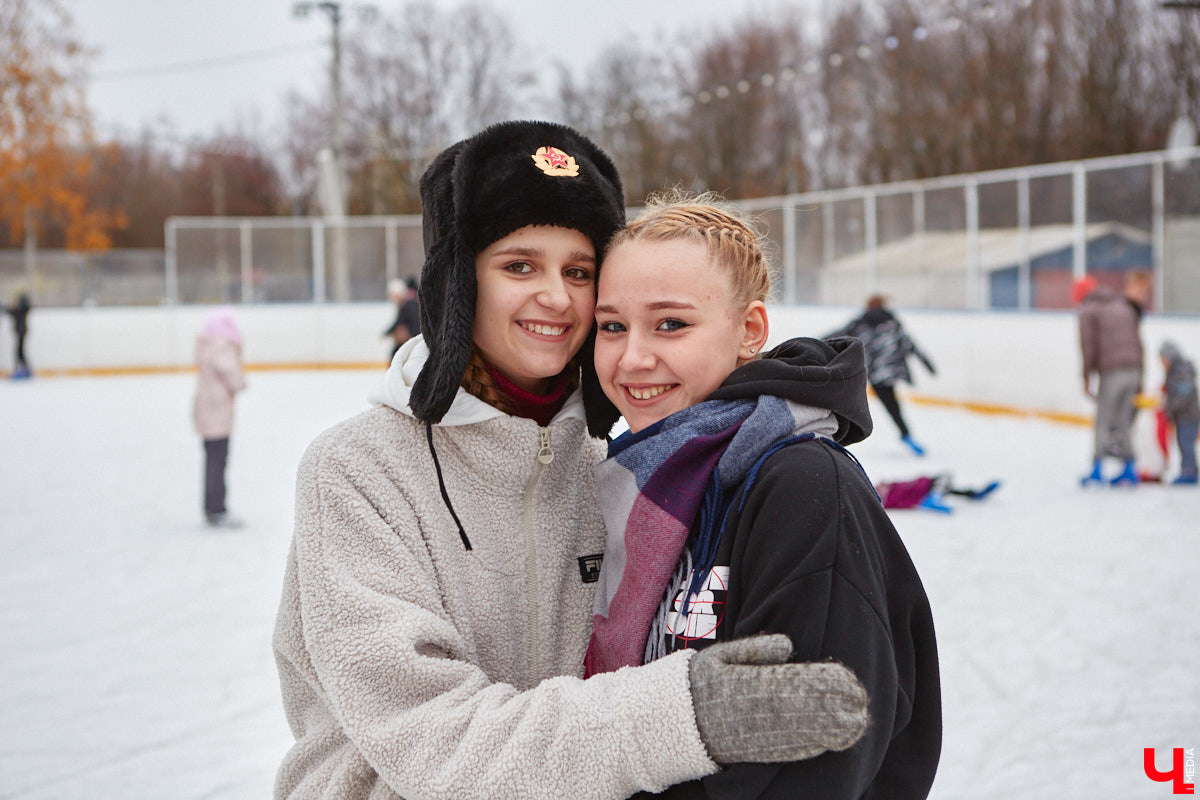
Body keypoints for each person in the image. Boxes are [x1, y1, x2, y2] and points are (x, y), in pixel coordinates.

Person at [272, 122, 868, 800]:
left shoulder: (614, 468)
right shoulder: (358, 472)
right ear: (459, 282)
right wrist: (688, 715)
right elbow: (431, 737)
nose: (556, 297)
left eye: (578, 271)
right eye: (519, 265)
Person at [586, 193, 942, 799]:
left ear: (749, 330)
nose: (632, 357)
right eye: (612, 326)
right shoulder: (647, 479)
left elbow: (818, 763)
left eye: (671, 323)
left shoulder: (801, 486)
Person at [826, 294, 935, 456]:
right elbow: (909, 344)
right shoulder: (892, 323)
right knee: (893, 407)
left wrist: (813, 342)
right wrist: (927, 364)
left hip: (869, 372)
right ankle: (906, 434)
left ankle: (835, 435)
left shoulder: (860, 323)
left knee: (849, 403)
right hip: (888, 372)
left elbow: (837, 336)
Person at [1074, 271, 1151, 486]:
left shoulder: (1088, 311)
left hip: (1113, 371)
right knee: (1124, 421)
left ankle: (1097, 469)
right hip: (1134, 369)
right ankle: (1129, 469)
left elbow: (1088, 347)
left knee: (1104, 420)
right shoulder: (1122, 305)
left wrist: (1086, 377)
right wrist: (1141, 378)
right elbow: (1138, 343)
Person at [192, 306, 247, 527]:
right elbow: (232, 374)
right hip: (217, 411)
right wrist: (240, 383)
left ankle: (211, 507)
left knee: (211, 459)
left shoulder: (205, 345)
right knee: (218, 460)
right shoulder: (221, 346)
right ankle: (217, 509)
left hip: (206, 410)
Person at [1159, 340, 1199, 485]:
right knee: (1183, 444)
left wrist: (1171, 409)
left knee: (1186, 444)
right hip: (1182, 416)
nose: (1162, 362)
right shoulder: (1175, 370)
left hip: (1188, 416)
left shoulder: (1181, 370)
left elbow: (1183, 394)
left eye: (1163, 358)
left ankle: (1189, 472)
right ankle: (1187, 470)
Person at [875, 473, 1001, 513]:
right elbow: (901, 500)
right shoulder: (884, 497)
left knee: (947, 487)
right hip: (923, 489)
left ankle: (975, 494)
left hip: (924, 486)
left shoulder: (886, 490)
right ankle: (934, 498)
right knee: (945, 479)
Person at [383, 276, 422, 360]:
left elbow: (399, 322)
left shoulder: (407, 304)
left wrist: (387, 333)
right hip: (416, 337)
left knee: (395, 353)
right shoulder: (412, 301)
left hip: (414, 338)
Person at [4, 292, 32, 379]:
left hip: (21, 332)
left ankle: (22, 369)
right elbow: (7, 310)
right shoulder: (17, 310)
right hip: (20, 332)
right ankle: (22, 368)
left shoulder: (22, 310)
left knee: (19, 351)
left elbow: (26, 306)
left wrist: (14, 303)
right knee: (19, 351)